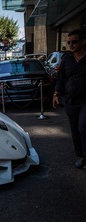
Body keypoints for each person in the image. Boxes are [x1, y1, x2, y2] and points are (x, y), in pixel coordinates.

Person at [52, 28, 86, 169]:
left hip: (85, 100)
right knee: (75, 130)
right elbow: (61, 79)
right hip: (71, 100)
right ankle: (80, 156)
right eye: (69, 42)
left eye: (74, 42)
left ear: (84, 41)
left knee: (83, 127)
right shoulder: (67, 58)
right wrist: (56, 94)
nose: (71, 45)